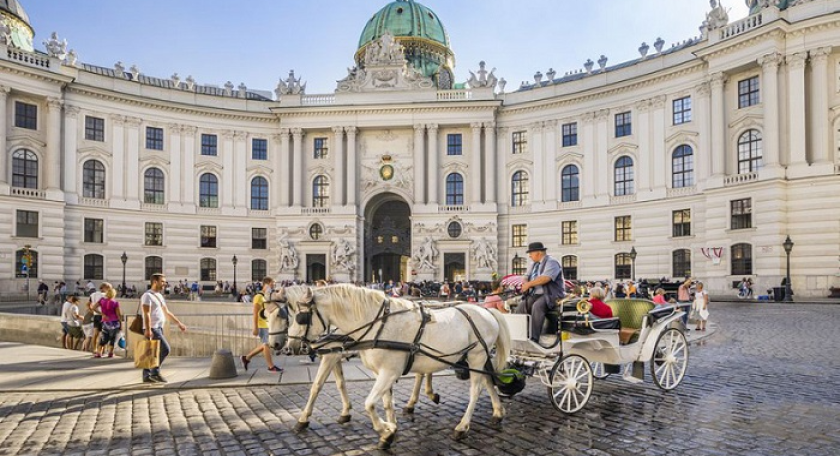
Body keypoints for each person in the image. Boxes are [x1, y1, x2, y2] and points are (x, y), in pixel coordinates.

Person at [140, 273, 187, 383]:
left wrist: (179, 323)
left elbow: (166, 312)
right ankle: (155, 372)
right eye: (162, 281)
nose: (165, 284)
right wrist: (147, 329)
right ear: (155, 282)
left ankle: (146, 376)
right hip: (152, 328)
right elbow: (146, 314)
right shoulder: (147, 296)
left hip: (158, 327)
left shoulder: (159, 296)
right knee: (165, 349)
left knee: (150, 352)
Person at [516, 242, 566, 343]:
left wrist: (529, 285)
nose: (529, 256)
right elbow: (526, 276)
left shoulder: (552, 262)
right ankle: (521, 335)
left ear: (538, 253)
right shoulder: (533, 264)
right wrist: (525, 283)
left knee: (537, 307)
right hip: (537, 294)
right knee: (521, 307)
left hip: (552, 295)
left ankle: (534, 338)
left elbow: (545, 278)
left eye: (531, 253)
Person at [240, 277, 282, 373]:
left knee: (266, 344)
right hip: (262, 324)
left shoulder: (267, 296)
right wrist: (255, 327)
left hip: (268, 323)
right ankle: (271, 367)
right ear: (266, 284)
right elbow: (255, 312)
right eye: (272, 284)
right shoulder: (258, 297)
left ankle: (246, 358)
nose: (273, 286)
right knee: (266, 344)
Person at [93, 283, 123, 358]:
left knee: (104, 337)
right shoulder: (115, 303)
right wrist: (121, 324)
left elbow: (93, 307)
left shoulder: (102, 300)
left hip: (105, 322)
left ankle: (99, 352)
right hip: (114, 323)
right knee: (112, 338)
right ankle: (110, 352)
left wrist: (102, 314)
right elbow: (118, 314)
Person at [88, 283, 107, 357]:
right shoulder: (104, 295)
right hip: (103, 316)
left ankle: (94, 349)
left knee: (95, 333)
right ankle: (102, 350)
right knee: (103, 334)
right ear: (104, 288)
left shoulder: (92, 295)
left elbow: (88, 304)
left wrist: (91, 310)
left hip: (96, 316)